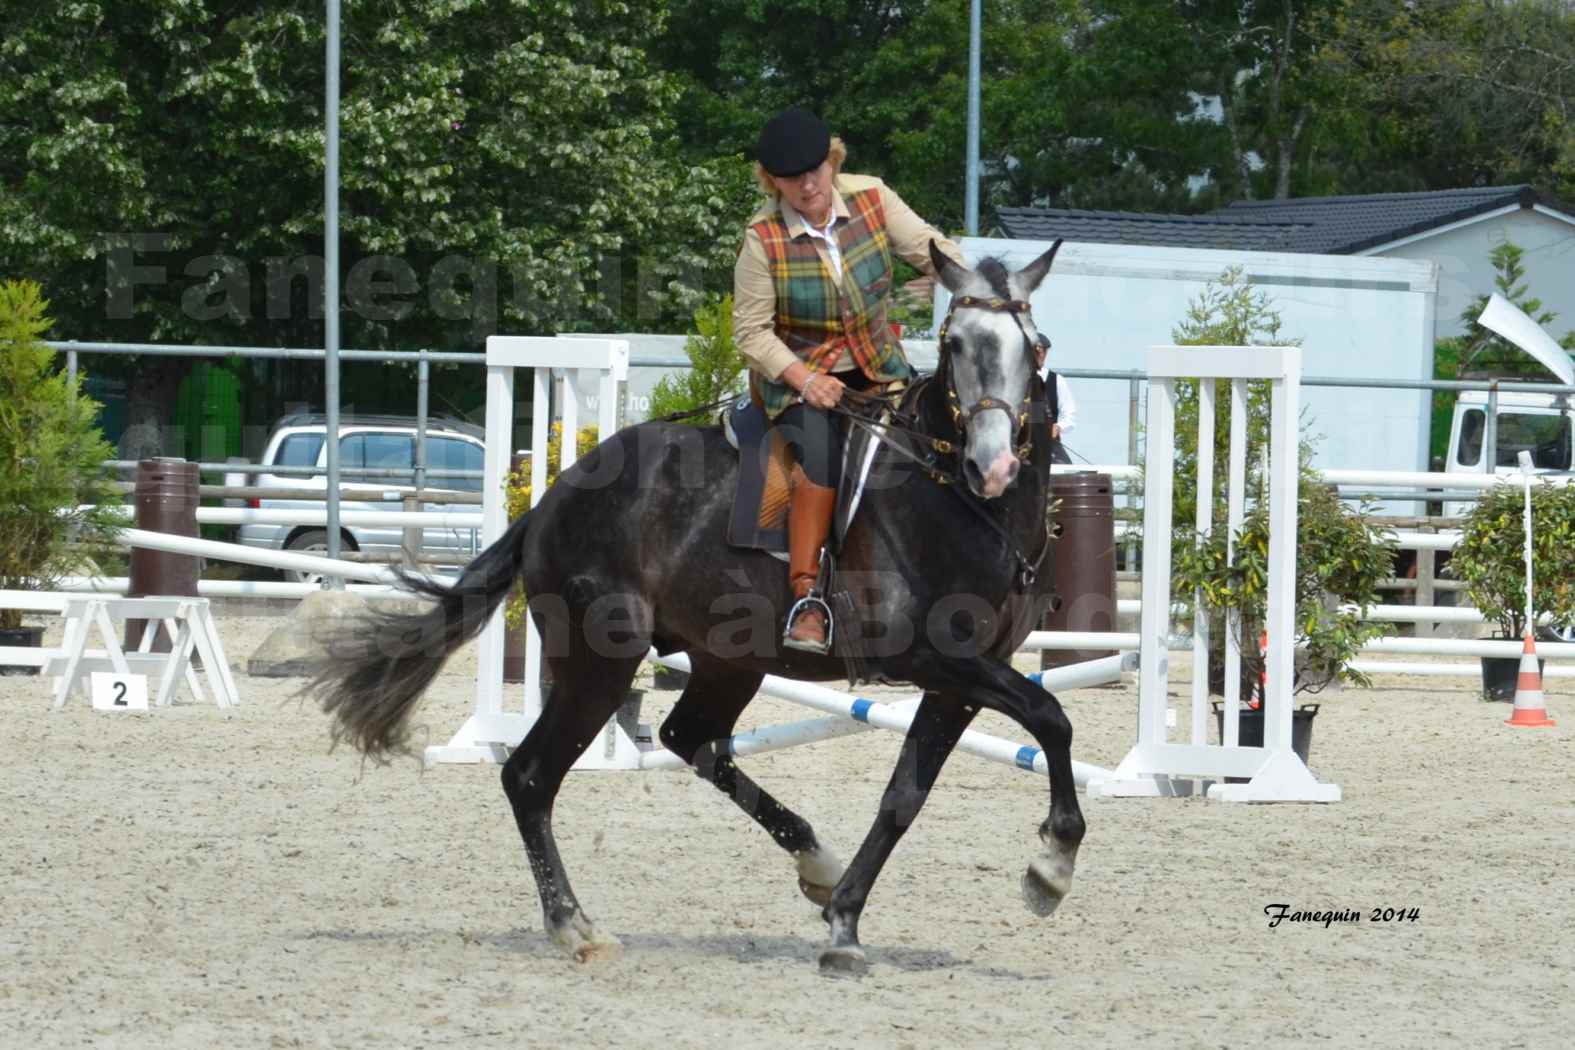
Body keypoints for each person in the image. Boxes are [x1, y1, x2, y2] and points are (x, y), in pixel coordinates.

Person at [733, 107, 964, 654]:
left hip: (882, 370)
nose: (808, 185)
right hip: (799, 382)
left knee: (942, 437)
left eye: (816, 170)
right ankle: (806, 597)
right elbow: (751, 332)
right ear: (773, 182)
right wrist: (805, 379)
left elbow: (929, 247)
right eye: (792, 179)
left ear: (832, 162)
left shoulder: (873, 197)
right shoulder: (762, 238)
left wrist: (962, 279)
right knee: (819, 453)